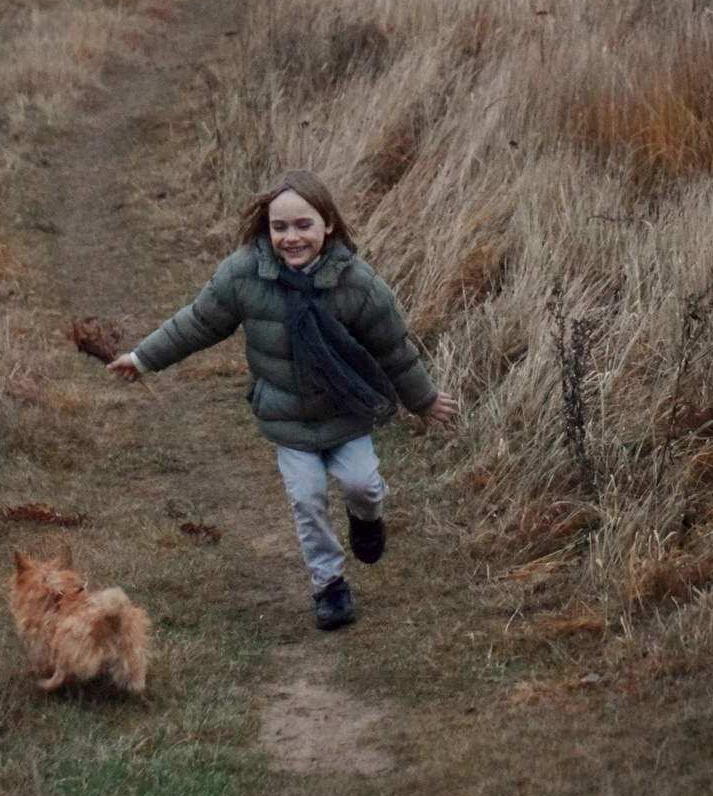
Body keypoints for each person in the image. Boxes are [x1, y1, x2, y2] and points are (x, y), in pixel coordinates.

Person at [106, 171, 458, 630]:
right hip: (287, 419)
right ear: (266, 228)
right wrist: (143, 357)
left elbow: (394, 351)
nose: (291, 238)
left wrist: (424, 400)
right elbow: (197, 322)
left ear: (327, 224)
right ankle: (330, 586)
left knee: (363, 485)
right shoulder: (244, 274)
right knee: (307, 499)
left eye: (303, 226)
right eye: (279, 228)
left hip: (345, 413)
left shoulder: (358, 285)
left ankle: (366, 519)